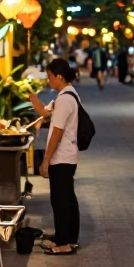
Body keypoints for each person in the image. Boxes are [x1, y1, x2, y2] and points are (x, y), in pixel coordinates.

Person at [28, 58, 81, 255]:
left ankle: (65, 243)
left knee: (61, 200)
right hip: (68, 155)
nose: (49, 80)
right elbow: (44, 113)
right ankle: (67, 238)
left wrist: (46, 160)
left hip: (62, 157)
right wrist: (34, 99)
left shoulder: (65, 99)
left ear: (59, 76)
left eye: (50, 77)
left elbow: (57, 132)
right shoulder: (67, 95)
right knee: (67, 198)